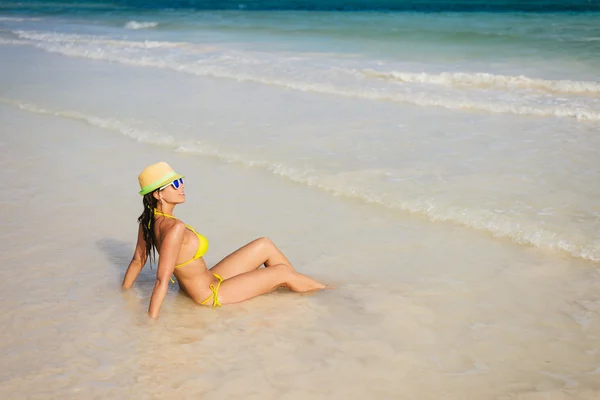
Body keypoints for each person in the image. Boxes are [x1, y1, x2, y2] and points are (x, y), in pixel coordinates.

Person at [122, 161, 326, 319]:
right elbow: (161, 279)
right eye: (175, 184)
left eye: (181, 181)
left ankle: (296, 287)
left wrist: (124, 294)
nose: (181, 187)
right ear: (158, 194)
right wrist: (151, 321)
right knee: (282, 272)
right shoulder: (174, 228)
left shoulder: (148, 222)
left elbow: (137, 261)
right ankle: (326, 295)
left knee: (264, 245)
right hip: (211, 295)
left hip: (210, 278)